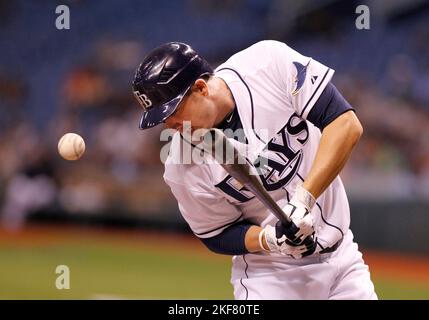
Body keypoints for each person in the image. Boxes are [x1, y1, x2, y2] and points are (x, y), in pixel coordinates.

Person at [131, 41, 377, 299]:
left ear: (201, 88)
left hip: (343, 257)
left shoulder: (267, 65)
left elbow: (346, 124)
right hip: (272, 275)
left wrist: (304, 199)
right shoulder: (180, 163)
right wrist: (269, 238)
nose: (171, 126)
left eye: (173, 112)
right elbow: (217, 233)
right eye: (162, 119)